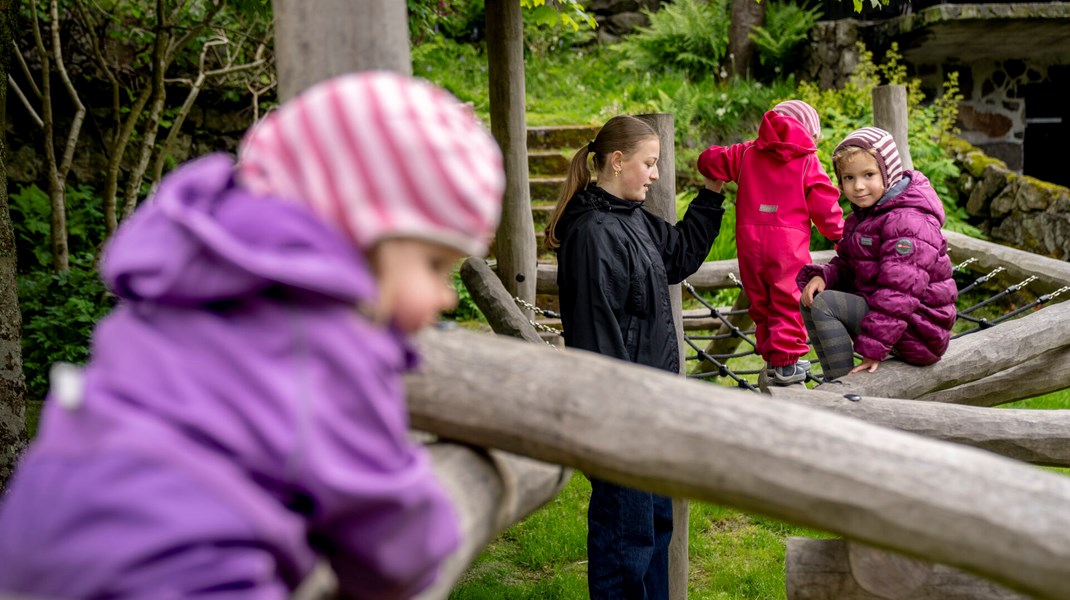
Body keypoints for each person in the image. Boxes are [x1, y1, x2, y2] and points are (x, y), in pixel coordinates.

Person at [0, 71, 505, 600]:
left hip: (38, 530)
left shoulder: (181, 289)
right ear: (357, 233)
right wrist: (434, 545)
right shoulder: (328, 342)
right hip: (179, 567)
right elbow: (384, 519)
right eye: (435, 265)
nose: (447, 297)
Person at [545, 114, 726, 600]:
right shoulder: (593, 234)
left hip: (651, 407)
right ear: (617, 160)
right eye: (649, 164)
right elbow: (598, 339)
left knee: (654, 528)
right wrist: (623, 421)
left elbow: (681, 253)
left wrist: (711, 192)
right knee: (625, 543)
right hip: (621, 416)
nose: (654, 175)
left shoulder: (629, 217)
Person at [697, 100, 844, 386]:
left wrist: (720, 157)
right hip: (787, 245)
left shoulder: (747, 152)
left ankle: (774, 358)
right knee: (788, 299)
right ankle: (786, 363)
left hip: (750, 242)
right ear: (808, 132)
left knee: (760, 299)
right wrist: (840, 236)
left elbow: (708, 161)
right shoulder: (807, 161)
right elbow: (825, 204)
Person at [797, 126, 957, 380]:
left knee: (826, 305)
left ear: (888, 173)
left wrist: (873, 348)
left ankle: (843, 388)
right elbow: (850, 263)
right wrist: (824, 277)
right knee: (812, 297)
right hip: (890, 318)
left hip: (919, 329)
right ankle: (835, 378)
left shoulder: (907, 221)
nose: (858, 186)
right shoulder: (864, 217)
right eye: (848, 178)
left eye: (868, 174)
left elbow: (900, 294)